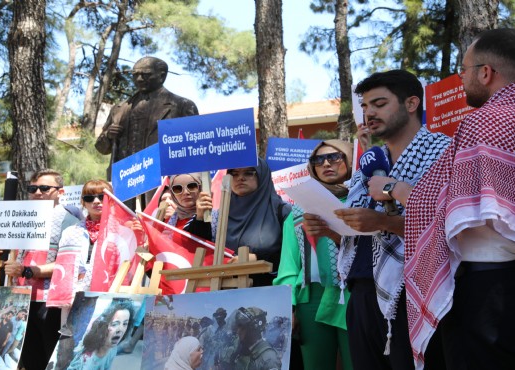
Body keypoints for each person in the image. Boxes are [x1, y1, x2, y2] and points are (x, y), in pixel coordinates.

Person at [367, 29, 515, 370]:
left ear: (485, 73)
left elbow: (443, 207)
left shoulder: (484, 122)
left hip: (490, 290)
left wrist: (392, 188)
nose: (461, 81)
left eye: (464, 72)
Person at [304, 70, 451, 370]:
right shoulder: (369, 162)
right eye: (366, 106)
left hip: (414, 294)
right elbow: (363, 236)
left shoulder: (442, 152)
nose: (369, 113)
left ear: (411, 103)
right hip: (361, 296)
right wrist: (333, 232)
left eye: (379, 103)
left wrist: (383, 222)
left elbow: (447, 225)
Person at [274, 139, 354, 370]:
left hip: (353, 295)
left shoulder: (363, 201)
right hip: (311, 299)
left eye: (335, 157)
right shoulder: (299, 210)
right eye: (318, 160)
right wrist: (288, 308)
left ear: (350, 160)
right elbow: (289, 266)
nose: (326, 163)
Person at [4, 169, 83, 370]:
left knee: (51, 360)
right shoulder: (19, 218)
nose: (38, 192)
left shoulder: (70, 221)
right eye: (33, 188)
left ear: (61, 192)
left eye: (45, 188)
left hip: (50, 302)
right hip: (20, 299)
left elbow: (69, 264)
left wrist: (29, 271)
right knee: (29, 359)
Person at [95, 56, 198, 186]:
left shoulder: (182, 106)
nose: (139, 79)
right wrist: (108, 135)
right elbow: (101, 148)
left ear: (162, 76)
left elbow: (194, 151)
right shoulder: (119, 109)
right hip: (125, 181)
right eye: (135, 75)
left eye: (146, 75)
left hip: (164, 181)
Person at [189, 158, 292, 287]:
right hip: (226, 295)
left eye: (248, 173)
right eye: (234, 174)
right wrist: (200, 217)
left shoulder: (282, 211)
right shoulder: (220, 215)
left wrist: (258, 259)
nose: (240, 178)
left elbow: (292, 256)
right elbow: (196, 250)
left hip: (268, 295)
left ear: (262, 175)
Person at [66, 299, 134, 369]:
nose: (120, 329)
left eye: (125, 324)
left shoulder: (113, 349)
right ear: (104, 326)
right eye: (114, 324)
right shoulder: (88, 363)